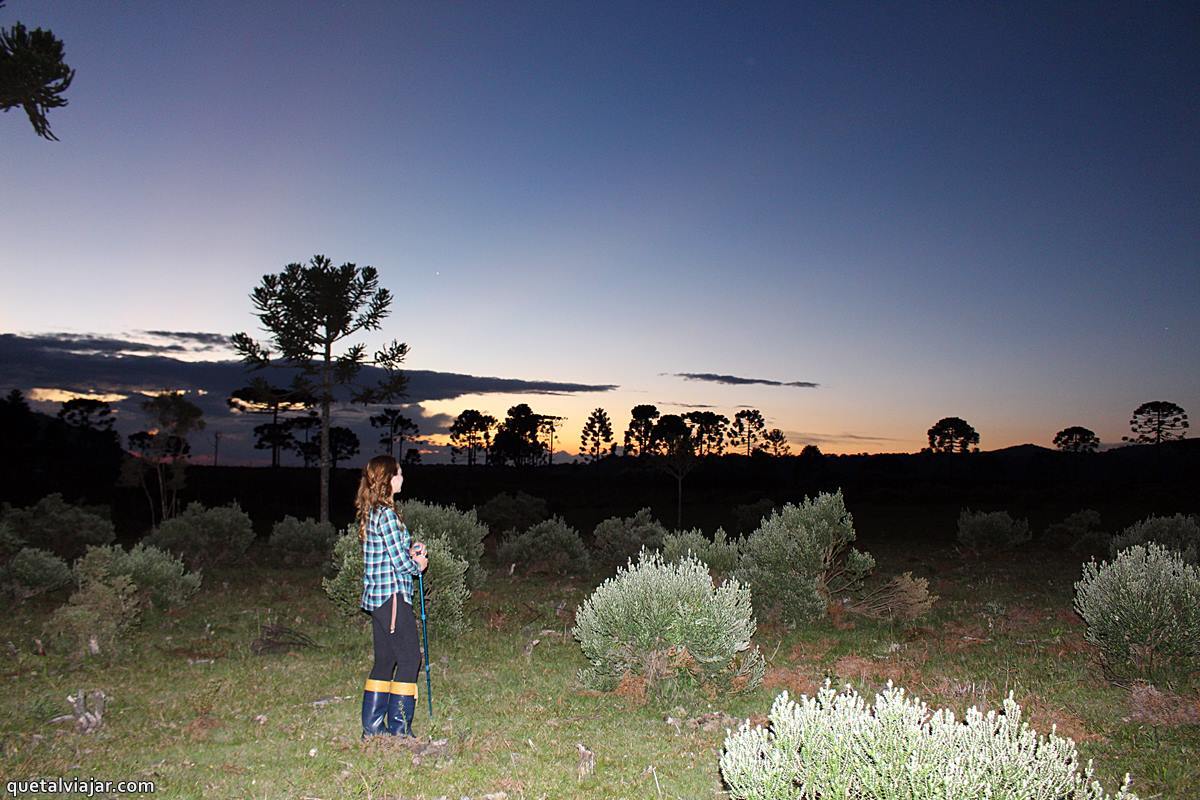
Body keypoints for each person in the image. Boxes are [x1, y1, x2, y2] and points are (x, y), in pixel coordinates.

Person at [356, 455, 428, 737]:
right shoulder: (386, 515)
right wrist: (417, 565)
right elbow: (400, 565)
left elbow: (390, 554)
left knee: (385, 661)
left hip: (379, 599)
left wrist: (410, 550)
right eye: (399, 474)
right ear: (388, 479)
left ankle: (373, 729)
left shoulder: (375, 511)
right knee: (410, 659)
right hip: (393, 598)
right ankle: (399, 729)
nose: (402, 478)